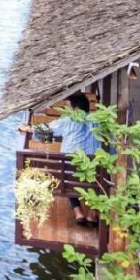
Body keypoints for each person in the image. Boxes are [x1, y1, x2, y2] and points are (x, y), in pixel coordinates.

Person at [50, 93, 100, 226]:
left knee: (68, 174)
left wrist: (27, 128)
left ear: (75, 108)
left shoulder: (67, 121)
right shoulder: (97, 121)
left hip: (70, 173)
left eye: (68, 107)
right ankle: (92, 213)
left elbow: (45, 130)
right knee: (98, 178)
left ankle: (78, 212)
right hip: (95, 173)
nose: (67, 111)